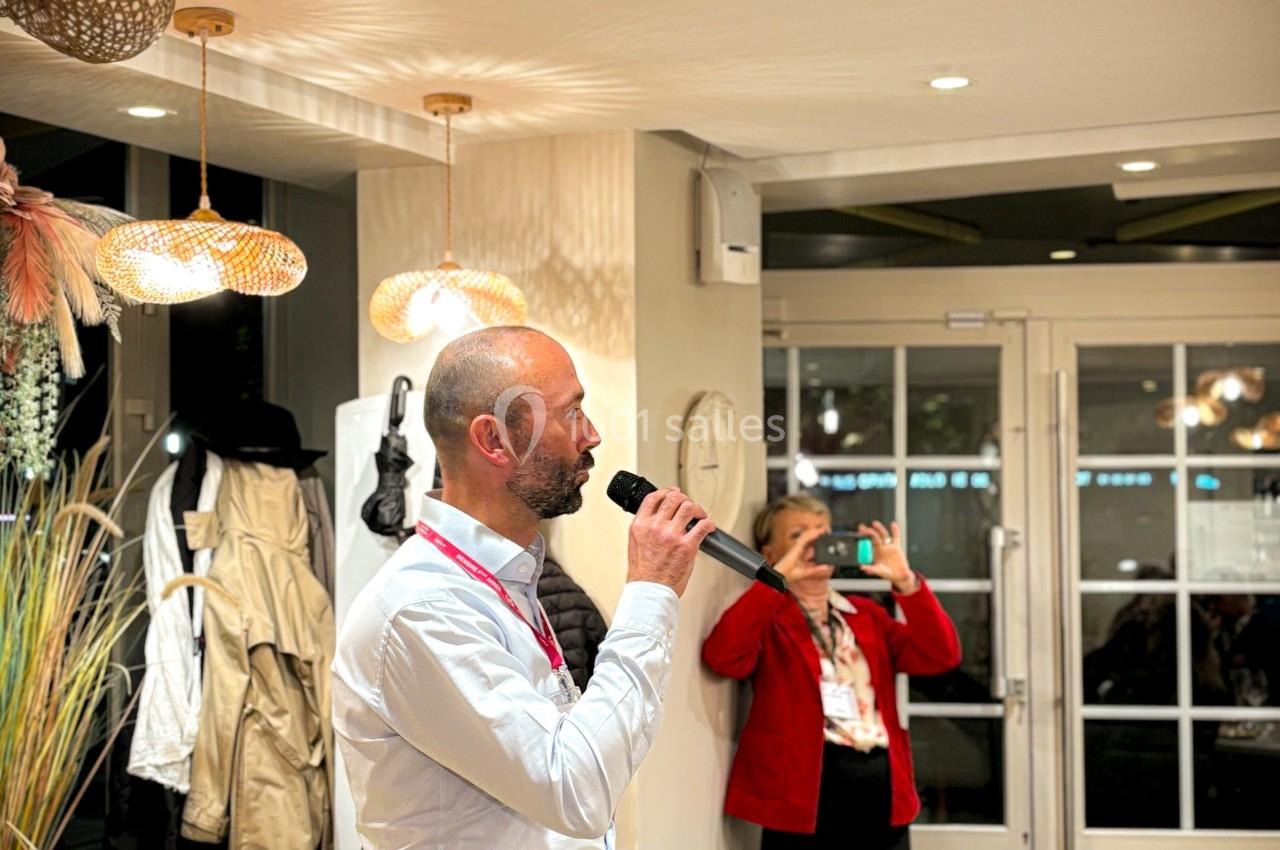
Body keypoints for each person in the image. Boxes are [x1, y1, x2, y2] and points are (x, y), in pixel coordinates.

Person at [332, 326, 715, 850]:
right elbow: (575, 791)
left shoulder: (505, 577)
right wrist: (650, 590)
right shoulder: (422, 607)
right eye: (571, 413)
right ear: (494, 440)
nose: (592, 435)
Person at [702, 494, 961, 850]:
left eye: (821, 535)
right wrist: (774, 581)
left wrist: (905, 582)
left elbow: (940, 657)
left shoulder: (865, 615)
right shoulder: (766, 614)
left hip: (881, 784)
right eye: (798, 536)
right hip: (804, 790)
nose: (814, 545)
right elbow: (723, 658)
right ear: (772, 552)